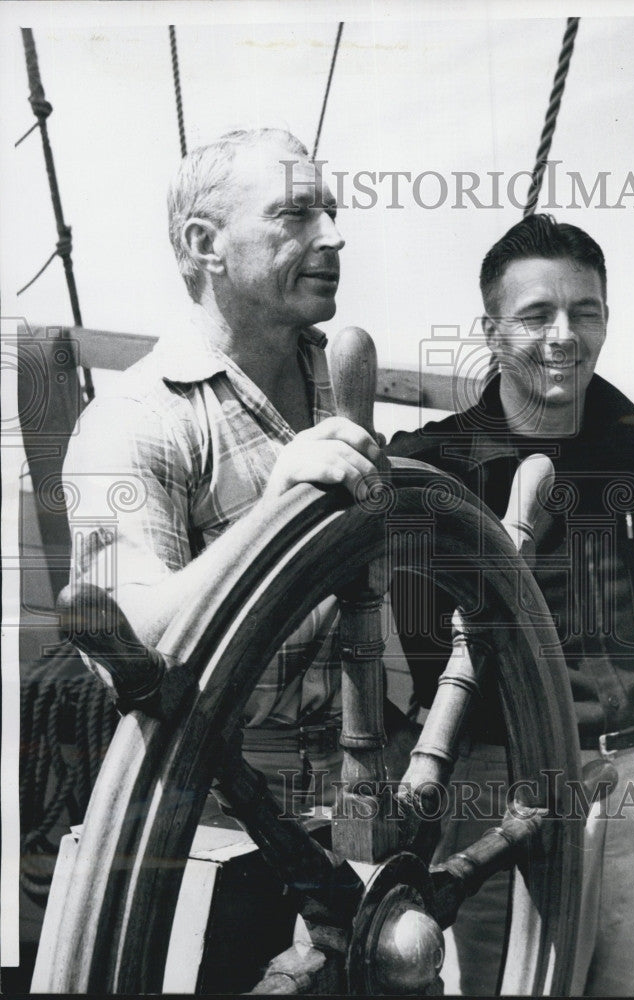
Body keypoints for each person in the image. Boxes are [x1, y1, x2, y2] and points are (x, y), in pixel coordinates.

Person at [388, 214, 634, 996]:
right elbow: (400, 617)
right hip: (488, 789)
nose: (563, 336)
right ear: (492, 330)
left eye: (586, 311)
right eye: (536, 314)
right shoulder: (432, 464)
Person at [62, 128, 384, 812]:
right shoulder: (132, 421)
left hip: (368, 783)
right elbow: (138, 639)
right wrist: (275, 513)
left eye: (330, 211)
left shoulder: (341, 384)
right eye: (294, 214)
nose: (332, 235)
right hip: (210, 809)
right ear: (205, 244)